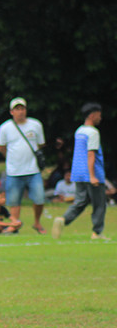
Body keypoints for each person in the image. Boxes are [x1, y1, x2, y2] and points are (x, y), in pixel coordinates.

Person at [53, 103, 108, 240]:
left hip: (78, 172)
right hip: (92, 173)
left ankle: (63, 219)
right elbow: (91, 154)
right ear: (92, 115)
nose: (100, 118)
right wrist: (93, 176)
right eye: (99, 115)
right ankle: (97, 232)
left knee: (80, 202)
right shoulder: (93, 132)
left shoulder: (79, 131)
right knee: (99, 204)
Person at [0, 97, 47, 233]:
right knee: (14, 201)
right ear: (11, 112)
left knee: (39, 198)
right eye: (17, 109)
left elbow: (41, 144)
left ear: (26, 110)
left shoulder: (35, 125)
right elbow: (1, 147)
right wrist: (11, 158)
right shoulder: (5, 128)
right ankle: (14, 225)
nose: (20, 112)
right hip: (14, 171)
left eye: (22, 108)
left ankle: (37, 222)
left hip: (33, 169)